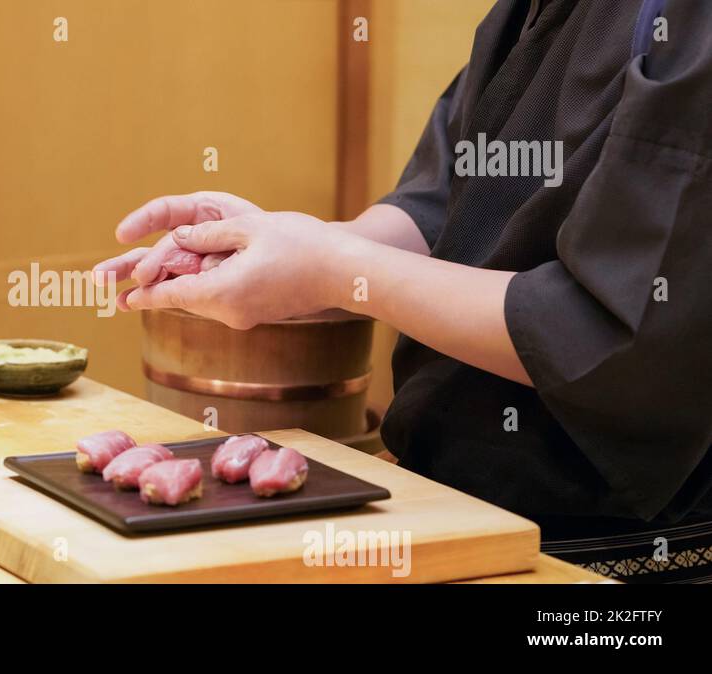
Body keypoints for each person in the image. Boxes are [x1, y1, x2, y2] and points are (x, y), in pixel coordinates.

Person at [95, 0, 712, 583]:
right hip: (452, 503)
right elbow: (448, 204)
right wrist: (281, 247)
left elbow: (612, 332)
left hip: (621, 553)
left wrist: (333, 266)